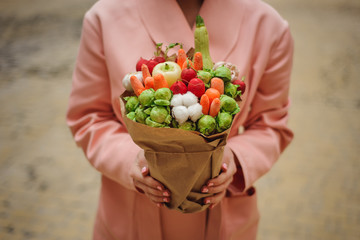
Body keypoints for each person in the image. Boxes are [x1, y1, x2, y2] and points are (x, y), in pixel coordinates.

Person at [66, 0, 294, 239]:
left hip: (221, 219)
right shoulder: (105, 17)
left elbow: (272, 124)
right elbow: (89, 116)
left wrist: (233, 159)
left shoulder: (268, 25)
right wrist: (130, 161)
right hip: (132, 215)